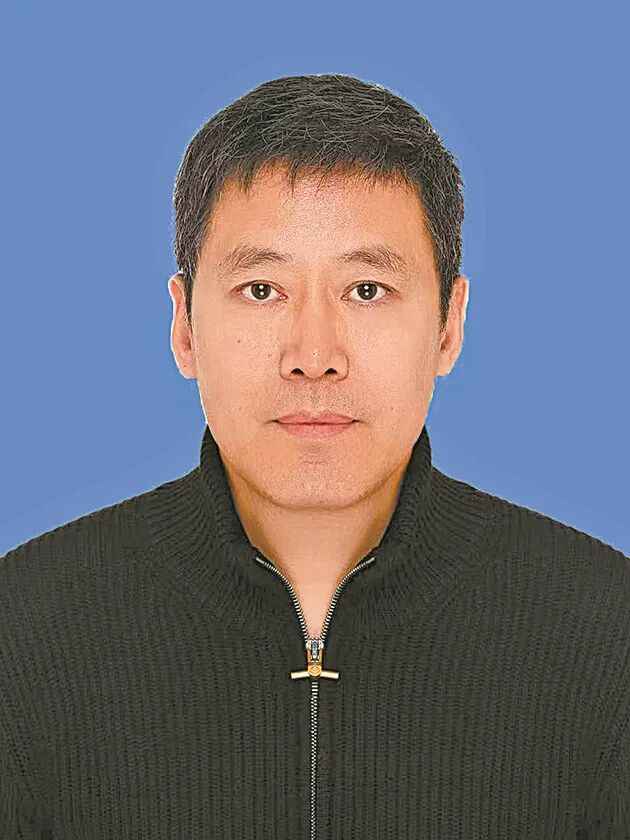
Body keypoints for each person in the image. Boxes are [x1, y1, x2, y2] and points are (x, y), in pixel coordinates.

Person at [1, 73, 628, 838]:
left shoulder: (608, 635)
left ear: (449, 325)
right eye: (262, 290)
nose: (314, 355)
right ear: (185, 327)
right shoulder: (21, 632)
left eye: (367, 290)